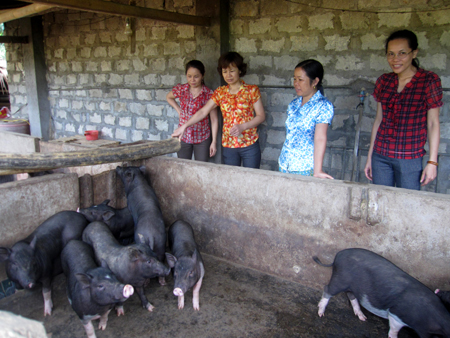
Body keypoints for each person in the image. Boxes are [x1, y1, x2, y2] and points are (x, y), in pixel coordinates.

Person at [364, 29, 443, 190]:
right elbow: (379, 120)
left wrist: (432, 161)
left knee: (407, 205)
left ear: (414, 53)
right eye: (391, 54)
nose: (395, 59)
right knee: (380, 202)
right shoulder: (384, 81)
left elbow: (433, 123)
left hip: (409, 158)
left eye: (402, 53)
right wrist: (370, 157)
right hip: (381, 156)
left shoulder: (428, 81)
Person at [172, 52, 265, 168]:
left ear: (240, 70)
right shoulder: (220, 92)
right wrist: (184, 126)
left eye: (232, 71)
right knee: (231, 179)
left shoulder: (252, 90)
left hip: (249, 145)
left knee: (252, 179)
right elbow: (203, 112)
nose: (228, 75)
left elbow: (261, 116)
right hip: (229, 146)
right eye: (224, 71)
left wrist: (243, 127)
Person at [278, 59, 334, 178]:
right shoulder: (293, 104)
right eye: (294, 79)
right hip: (284, 164)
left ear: (315, 81)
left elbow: (320, 138)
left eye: (300, 80)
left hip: (304, 169)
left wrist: (317, 170)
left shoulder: (323, 106)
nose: (296, 83)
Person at [166, 60, 218, 162]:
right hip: (183, 136)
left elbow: (214, 120)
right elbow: (169, 97)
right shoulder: (182, 89)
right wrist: (179, 111)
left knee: (201, 167)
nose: (192, 80)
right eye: (189, 76)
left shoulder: (209, 94)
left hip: (202, 137)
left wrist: (214, 141)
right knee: (183, 166)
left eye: (196, 76)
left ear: (203, 75)